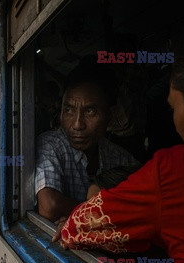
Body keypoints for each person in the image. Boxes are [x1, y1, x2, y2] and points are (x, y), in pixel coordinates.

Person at [54, 29, 184, 263]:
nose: (175, 122)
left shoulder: (178, 170)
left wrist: (93, 196)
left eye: (174, 108)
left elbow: (78, 227)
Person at [35, 63, 139, 222]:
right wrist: (109, 215)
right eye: (69, 110)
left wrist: (84, 217)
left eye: (90, 111)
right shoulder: (51, 144)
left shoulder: (122, 159)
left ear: (111, 116)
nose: (77, 124)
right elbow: (51, 206)